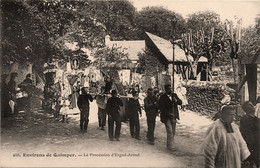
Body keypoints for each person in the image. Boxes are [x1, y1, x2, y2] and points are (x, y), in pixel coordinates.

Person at [158, 84, 182, 151]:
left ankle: (169, 145)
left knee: (173, 132)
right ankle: (171, 147)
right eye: (168, 89)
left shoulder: (174, 95)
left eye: (171, 89)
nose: (170, 90)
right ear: (166, 90)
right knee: (170, 131)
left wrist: (176, 101)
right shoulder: (162, 97)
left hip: (174, 116)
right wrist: (168, 114)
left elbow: (180, 102)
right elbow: (161, 107)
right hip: (166, 117)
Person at [240, 101, 260, 168]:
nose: (253, 107)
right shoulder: (245, 119)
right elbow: (244, 133)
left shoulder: (256, 119)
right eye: (251, 105)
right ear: (247, 109)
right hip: (251, 146)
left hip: (256, 146)